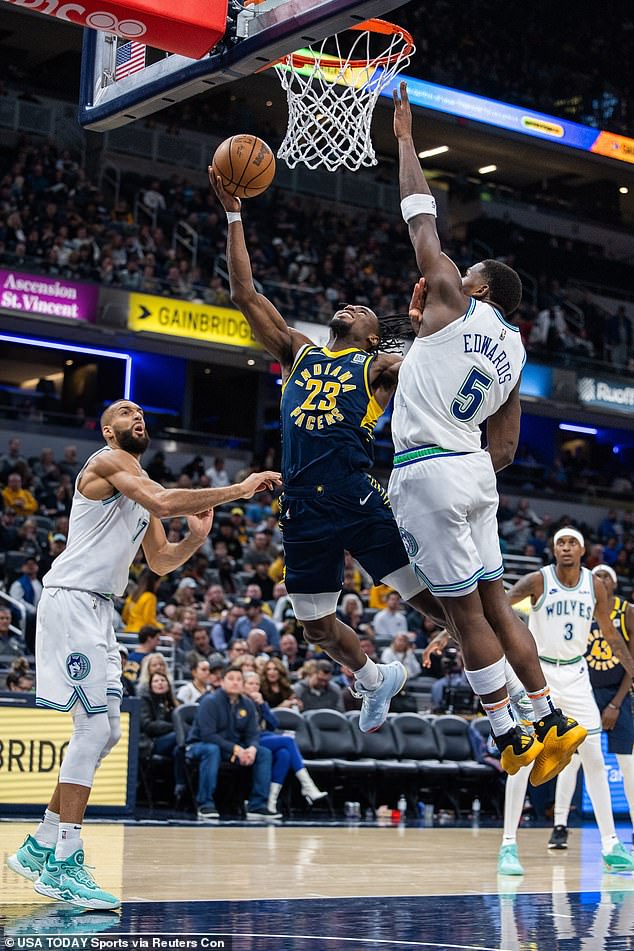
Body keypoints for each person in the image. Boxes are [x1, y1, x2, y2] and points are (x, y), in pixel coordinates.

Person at [6, 397, 280, 908]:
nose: (138, 418)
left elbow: (160, 561)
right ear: (109, 432)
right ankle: (65, 862)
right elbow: (163, 502)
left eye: (142, 414)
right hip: (72, 602)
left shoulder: (140, 488)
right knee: (90, 729)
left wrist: (195, 540)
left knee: (107, 730)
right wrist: (241, 488)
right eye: (127, 413)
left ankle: (39, 844)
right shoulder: (108, 464)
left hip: (101, 610)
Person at [212, 170, 457, 735]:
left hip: (353, 491)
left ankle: (494, 664)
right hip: (302, 503)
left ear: (373, 336)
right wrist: (233, 213)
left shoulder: (378, 366)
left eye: (362, 308)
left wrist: (422, 329)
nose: (351, 305)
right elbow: (243, 294)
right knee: (315, 626)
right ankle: (375, 679)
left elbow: (431, 360)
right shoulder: (298, 352)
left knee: (421, 597)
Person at [388, 82, 587, 776]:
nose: (455, 273)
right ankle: (551, 717)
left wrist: (407, 139)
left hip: (429, 468)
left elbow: (420, 218)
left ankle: (508, 733)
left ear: (479, 288)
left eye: (465, 274)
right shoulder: (518, 351)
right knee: (498, 606)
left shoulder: (449, 296)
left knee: (461, 615)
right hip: (476, 473)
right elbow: (504, 447)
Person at [497, 529, 634, 876]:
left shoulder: (595, 585)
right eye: (561, 542)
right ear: (553, 549)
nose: (566, 547)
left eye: (572, 542)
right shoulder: (537, 580)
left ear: (583, 550)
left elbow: (612, 636)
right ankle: (508, 845)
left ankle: (611, 845)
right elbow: (496, 609)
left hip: (576, 676)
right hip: (538, 674)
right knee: (524, 757)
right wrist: (446, 631)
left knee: (594, 760)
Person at [548, 563, 634, 850]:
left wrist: (616, 703)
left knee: (628, 765)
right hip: (582, 692)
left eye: (605, 576)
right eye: (596, 576)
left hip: (618, 696)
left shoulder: (626, 611)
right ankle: (560, 826)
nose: (600, 580)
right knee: (570, 763)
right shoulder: (578, 607)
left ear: (613, 584)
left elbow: (631, 662)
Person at [186, 665, 280, 820]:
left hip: (232, 748)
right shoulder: (210, 701)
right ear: (222, 682)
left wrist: (251, 749)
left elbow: (253, 734)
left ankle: (257, 805)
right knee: (212, 749)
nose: (235, 683)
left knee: (264, 753)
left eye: (239, 680)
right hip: (199, 745)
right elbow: (208, 735)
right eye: (231, 679)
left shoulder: (248, 704)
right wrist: (236, 749)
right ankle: (205, 803)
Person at [242, 671, 326, 813]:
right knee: (288, 740)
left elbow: (273, 724)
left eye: (257, 684)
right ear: (243, 686)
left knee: (284, 754)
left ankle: (271, 802)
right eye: (250, 684)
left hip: (261, 737)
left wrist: (263, 704)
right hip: (247, 742)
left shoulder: (259, 702)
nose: (254, 687)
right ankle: (308, 786)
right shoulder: (240, 702)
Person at [139, 670, 185, 799]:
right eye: (156, 681)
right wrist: (175, 728)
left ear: (168, 684)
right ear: (150, 685)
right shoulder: (145, 700)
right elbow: (148, 726)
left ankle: (180, 787)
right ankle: (181, 785)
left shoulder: (176, 702)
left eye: (163, 680)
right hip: (151, 743)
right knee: (180, 737)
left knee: (179, 749)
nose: (160, 683)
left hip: (173, 742)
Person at [122, 568, 163, 632]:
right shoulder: (150, 597)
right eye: (159, 582)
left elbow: (125, 617)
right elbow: (149, 620)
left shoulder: (132, 596)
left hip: (127, 631)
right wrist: (162, 627)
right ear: (154, 582)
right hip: (141, 634)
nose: (159, 585)